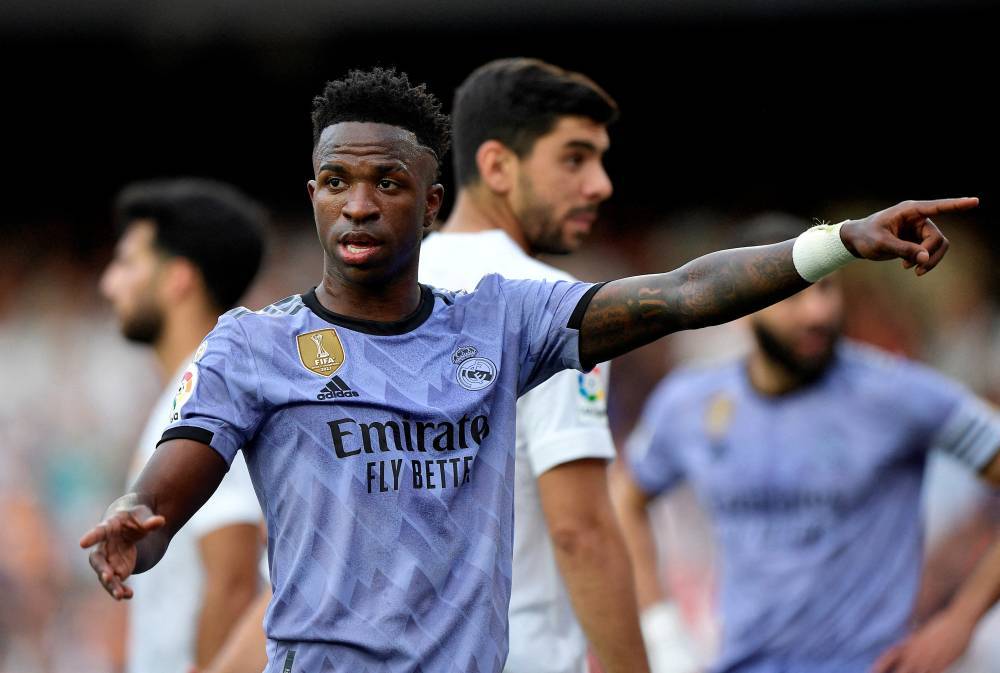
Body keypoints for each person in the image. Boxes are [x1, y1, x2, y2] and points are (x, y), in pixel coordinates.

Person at [81, 67, 975, 673]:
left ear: (431, 200)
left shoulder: (503, 320)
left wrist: (838, 242)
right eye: (336, 181)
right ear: (313, 192)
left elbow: (681, 294)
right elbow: (170, 486)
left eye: (387, 183)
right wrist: (135, 523)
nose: (358, 204)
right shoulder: (254, 345)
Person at [611, 216, 1000, 673]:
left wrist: (961, 619)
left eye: (826, 289)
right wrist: (662, 632)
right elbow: (625, 497)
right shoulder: (689, 404)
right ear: (741, 305)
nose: (817, 313)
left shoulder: (900, 394)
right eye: (792, 294)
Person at [418, 58, 646, 673]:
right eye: (574, 158)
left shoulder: (373, 299)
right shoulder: (558, 308)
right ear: (497, 166)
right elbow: (581, 531)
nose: (600, 185)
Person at [99, 179, 267, 673]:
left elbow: (233, 579)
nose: (109, 284)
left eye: (127, 263)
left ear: (178, 279)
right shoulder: (186, 390)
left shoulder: (212, 396)